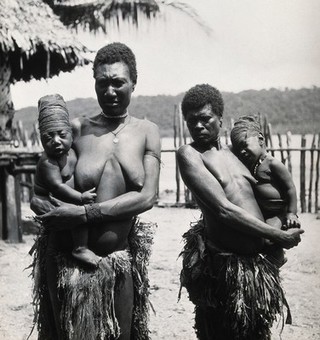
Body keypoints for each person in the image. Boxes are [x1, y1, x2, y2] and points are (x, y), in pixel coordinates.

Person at [29, 42, 161, 340]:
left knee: (122, 335)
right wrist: (49, 211)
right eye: (103, 83)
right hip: (66, 259)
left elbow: (148, 197)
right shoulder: (75, 129)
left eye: (118, 83)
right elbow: (41, 188)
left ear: (134, 83)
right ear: (95, 84)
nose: (110, 91)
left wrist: (83, 212)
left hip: (117, 259)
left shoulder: (146, 131)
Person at [177, 84, 304, 340]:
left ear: (220, 120)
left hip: (256, 266)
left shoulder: (237, 155)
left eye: (205, 119)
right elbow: (224, 210)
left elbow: (271, 192)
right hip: (224, 266)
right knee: (219, 332)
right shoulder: (189, 155)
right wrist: (278, 236)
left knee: (256, 333)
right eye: (192, 122)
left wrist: (285, 219)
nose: (199, 126)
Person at [34, 93, 101, 269]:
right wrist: (80, 197)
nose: (56, 141)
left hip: (65, 196)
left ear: (72, 135)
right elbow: (57, 187)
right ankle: (80, 248)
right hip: (48, 199)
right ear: (41, 140)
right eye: (48, 138)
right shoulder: (48, 162)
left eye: (61, 135)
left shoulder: (73, 151)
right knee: (76, 215)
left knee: (78, 213)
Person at [230, 115, 301, 267]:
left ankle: (277, 258)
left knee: (268, 238)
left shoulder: (272, 163)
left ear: (260, 139)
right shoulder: (249, 165)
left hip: (277, 213)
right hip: (262, 213)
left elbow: (290, 188)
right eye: (238, 149)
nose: (242, 151)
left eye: (245, 145)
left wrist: (291, 213)